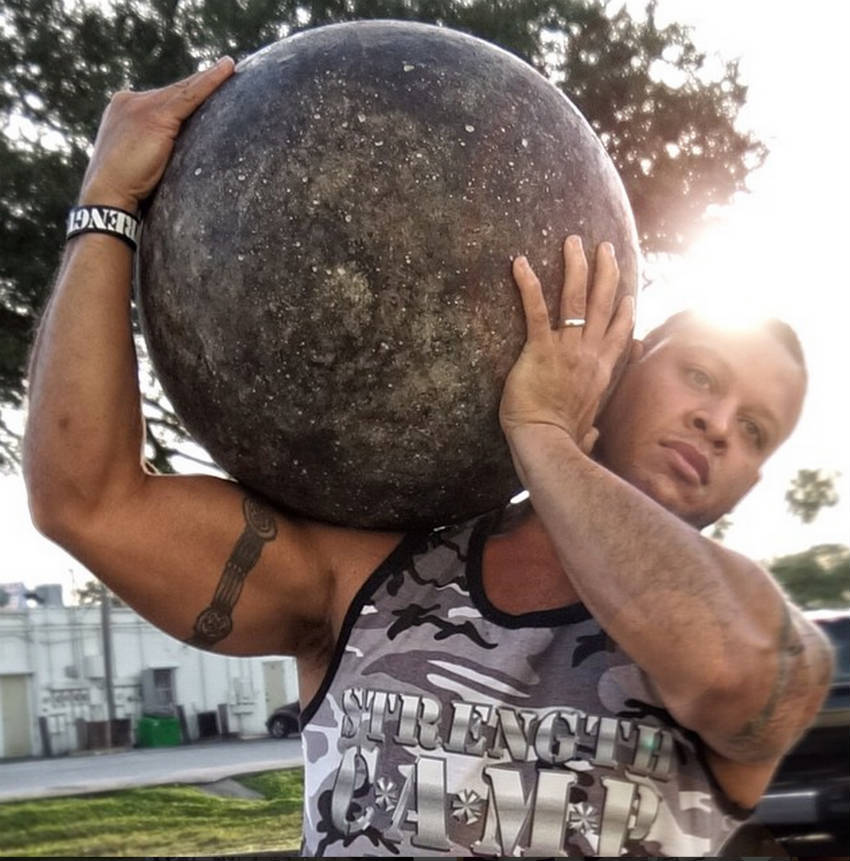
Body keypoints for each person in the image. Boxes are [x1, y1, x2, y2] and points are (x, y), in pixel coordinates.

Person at [23, 60, 832, 857]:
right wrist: (107, 204)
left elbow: (724, 672)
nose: (719, 422)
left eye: (757, 428)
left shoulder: (775, 644)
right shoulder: (370, 577)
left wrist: (545, 436)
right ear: (629, 349)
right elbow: (86, 499)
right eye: (701, 374)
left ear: (754, 476)